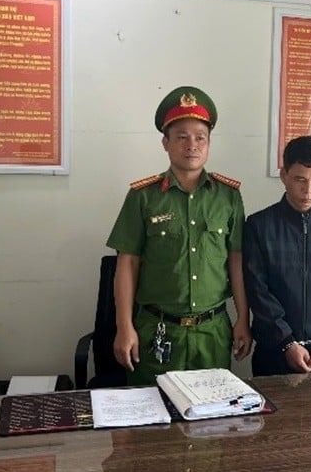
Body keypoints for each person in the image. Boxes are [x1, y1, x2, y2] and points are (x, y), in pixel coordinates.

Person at [106, 86, 252, 386]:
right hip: (156, 331)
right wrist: (124, 327)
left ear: (209, 144)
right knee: (153, 410)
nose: (192, 145)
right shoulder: (143, 197)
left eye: (200, 138)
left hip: (212, 332)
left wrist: (243, 319)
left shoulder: (228, 197)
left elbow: (236, 261)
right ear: (166, 143)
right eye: (182, 137)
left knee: (211, 411)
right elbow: (127, 264)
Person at [243, 135, 311, 376]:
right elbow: (257, 289)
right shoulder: (259, 225)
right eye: (299, 180)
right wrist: (286, 342)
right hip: (273, 351)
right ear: (284, 175)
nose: (308, 190)